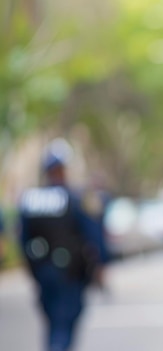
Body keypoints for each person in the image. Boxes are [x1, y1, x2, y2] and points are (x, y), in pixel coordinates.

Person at [18, 142, 108, 351]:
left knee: (52, 324)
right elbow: (94, 235)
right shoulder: (75, 199)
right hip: (70, 275)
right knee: (64, 326)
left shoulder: (30, 199)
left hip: (43, 273)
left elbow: (23, 240)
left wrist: (33, 271)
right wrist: (101, 264)